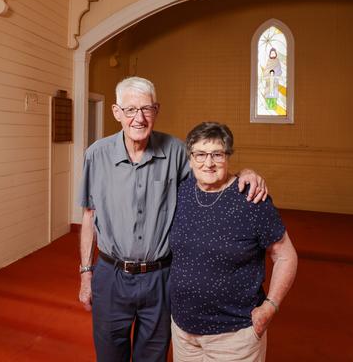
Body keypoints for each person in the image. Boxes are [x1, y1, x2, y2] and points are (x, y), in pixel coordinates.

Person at [78, 77, 268, 362]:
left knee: (153, 356)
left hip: (161, 277)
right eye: (130, 110)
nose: (139, 118)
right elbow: (89, 216)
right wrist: (85, 272)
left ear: (156, 110)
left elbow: (211, 175)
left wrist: (245, 173)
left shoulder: (178, 152)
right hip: (111, 275)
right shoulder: (96, 155)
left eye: (146, 109)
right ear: (116, 112)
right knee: (108, 354)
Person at [170, 122, 298, 362]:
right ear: (189, 159)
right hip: (184, 332)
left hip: (234, 336)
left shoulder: (251, 199)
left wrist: (270, 306)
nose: (208, 163)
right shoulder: (181, 192)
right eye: (200, 154)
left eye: (217, 154)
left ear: (227, 156)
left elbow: (285, 255)